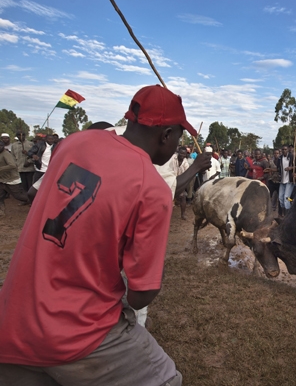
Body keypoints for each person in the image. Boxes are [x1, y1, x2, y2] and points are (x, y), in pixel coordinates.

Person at [0, 85, 195, 386]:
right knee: (167, 379)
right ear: (166, 135)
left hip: (13, 320)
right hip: (77, 334)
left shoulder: (74, 142)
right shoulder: (152, 188)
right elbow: (140, 294)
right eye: (179, 137)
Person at [0, 140, 29, 216]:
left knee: (18, 196)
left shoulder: (6, 154)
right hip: (2, 179)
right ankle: (1, 212)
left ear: (3, 146)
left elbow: (12, 165)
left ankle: (36, 202)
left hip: (11, 178)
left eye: (0, 146)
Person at [276, 145, 296, 216]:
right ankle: (283, 213)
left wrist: (291, 168)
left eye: (285, 149)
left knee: (286, 198)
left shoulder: (292, 157)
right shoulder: (280, 158)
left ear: (288, 150)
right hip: (282, 180)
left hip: (289, 181)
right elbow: (278, 168)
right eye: (283, 149)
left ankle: (288, 215)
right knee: (280, 198)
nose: (284, 151)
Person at [10, 131, 35, 197]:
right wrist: (15, 164)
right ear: (17, 136)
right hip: (19, 168)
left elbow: (35, 155)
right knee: (23, 185)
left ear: (25, 135)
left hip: (29, 168)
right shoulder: (14, 145)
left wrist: (29, 161)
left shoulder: (31, 144)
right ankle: (25, 199)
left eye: (22, 135)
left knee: (30, 184)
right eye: (19, 135)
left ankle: (31, 199)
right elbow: (12, 156)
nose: (21, 136)